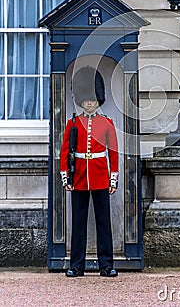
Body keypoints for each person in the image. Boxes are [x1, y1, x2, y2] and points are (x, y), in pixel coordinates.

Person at [60, 66, 119, 278]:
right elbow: (65, 151)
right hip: (79, 178)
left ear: (98, 99)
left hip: (100, 176)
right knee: (79, 223)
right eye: (86, 99)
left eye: (93, 99)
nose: (90, 103)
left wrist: (113, 179)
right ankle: (77, 265)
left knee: (104, 223)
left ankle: (106, 265)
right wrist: (66, 176)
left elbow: (113, 153)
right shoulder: (73, 123)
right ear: (81, 100)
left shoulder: (107, 123)